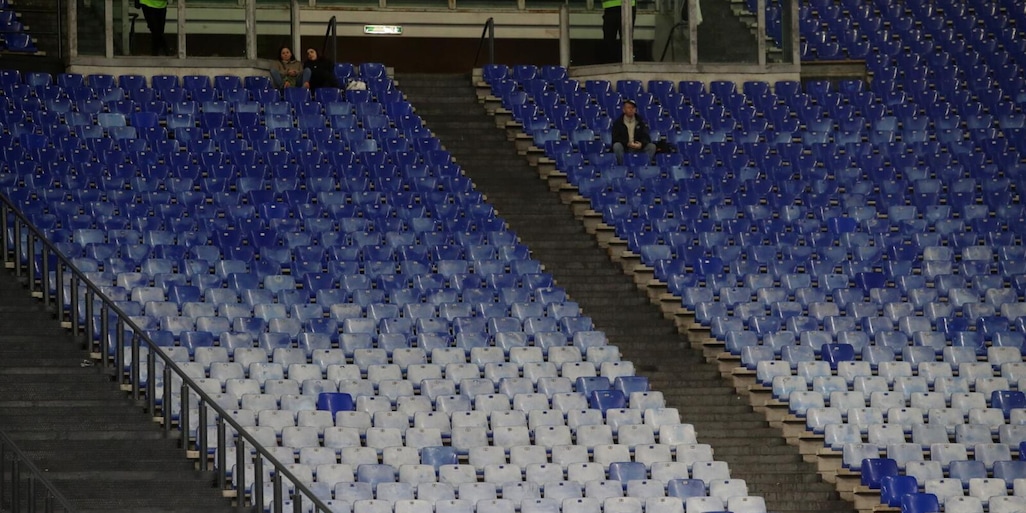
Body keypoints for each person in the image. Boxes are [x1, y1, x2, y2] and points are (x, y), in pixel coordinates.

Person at [611, 99, 656, 165]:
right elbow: (615, 139)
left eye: (633, 108)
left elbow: (646, 137)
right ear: (624, 110)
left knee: (652, 146)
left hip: (638, 147)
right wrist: (627, 143)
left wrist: (641, 144)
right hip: (625, 147)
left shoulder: (641, 122)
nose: (631, 109)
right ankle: (621, 166)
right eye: (629, 107)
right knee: (617, 146)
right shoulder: (618, 123)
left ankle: (645, 166)